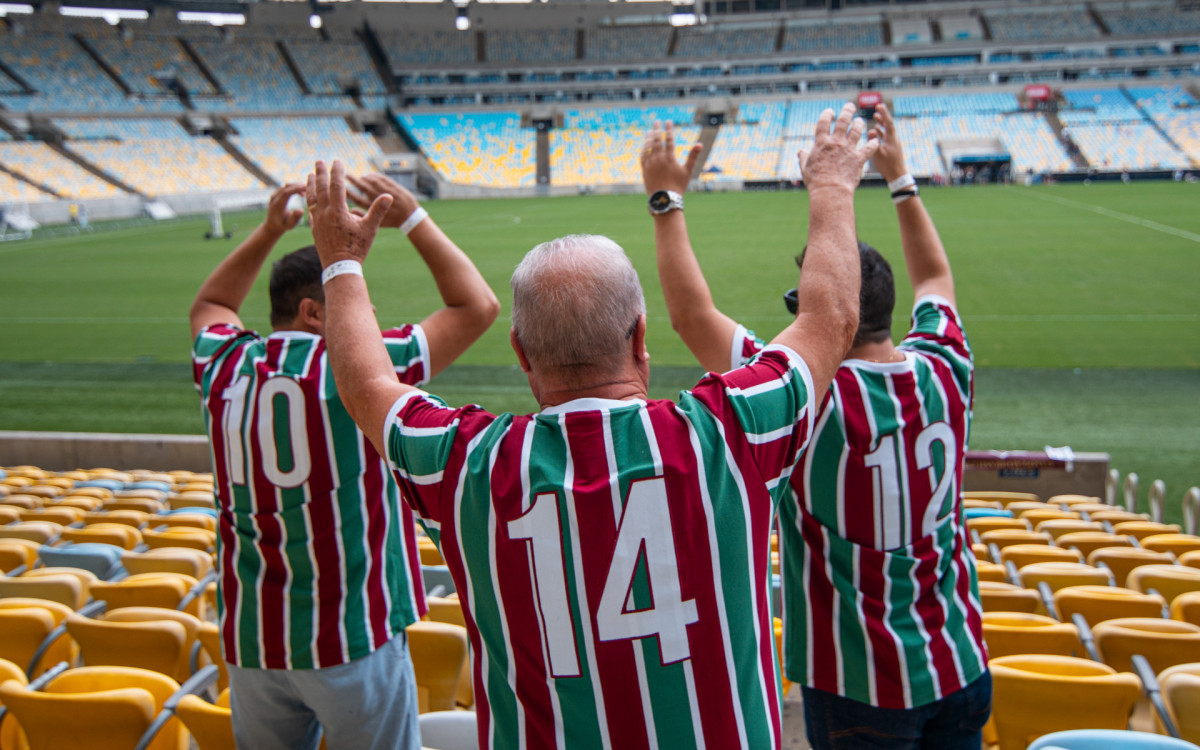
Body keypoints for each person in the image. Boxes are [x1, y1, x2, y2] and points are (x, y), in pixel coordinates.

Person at [306, 102, 877, 750]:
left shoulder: (464, 465)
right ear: (640, 337)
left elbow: (365, 386)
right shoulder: (730, 431)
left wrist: (341, 263)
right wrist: (832, 185)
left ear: (521, 354)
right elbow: (831, 318)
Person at [640, 102, 988, 749]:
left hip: (859, 684)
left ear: (814, 304)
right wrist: (900, 178)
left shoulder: (807, 395)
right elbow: (936, 277)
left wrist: (666, 201)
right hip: (960, 662)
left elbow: (691, 316)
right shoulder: (947, 366)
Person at [189, 176, 500, 750]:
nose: (369, 312)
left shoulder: (225, 366)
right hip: (352, 636)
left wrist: (268, 231)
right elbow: (477, 306)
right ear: (313, 313)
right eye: (351, 296)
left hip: (253, 641)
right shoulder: (360, 371)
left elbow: (212, 306)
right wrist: (413, 218)